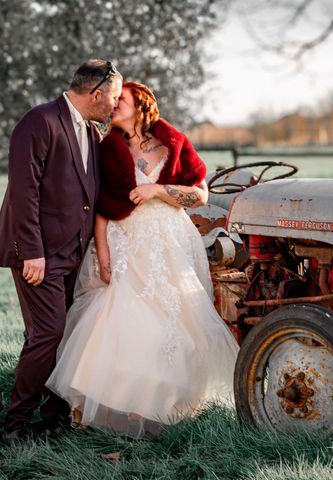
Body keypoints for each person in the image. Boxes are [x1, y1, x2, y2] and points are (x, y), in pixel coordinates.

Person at [45, 82, 239, 438]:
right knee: (123, 318)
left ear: (142, 104)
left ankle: (166, 405)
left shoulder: (173, 141)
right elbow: (101, 208)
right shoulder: (107, 150)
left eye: (122, 98)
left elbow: (199, 194)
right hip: (126, 243)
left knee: (177, 323)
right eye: (113, 98)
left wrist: (158, 190)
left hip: (170, 241)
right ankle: (115, 406)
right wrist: (102, 253)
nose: (114, 103)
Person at [0, 59, 123, 441]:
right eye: (113, 97)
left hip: (72, 256)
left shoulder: (93, 133)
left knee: (63, 335)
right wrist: (32, 252)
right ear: (96, 94)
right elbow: (23, 191)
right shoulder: (39, 121)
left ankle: (55, 416)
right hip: (38, 256)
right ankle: (15, 425)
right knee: (48, 332)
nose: (115, 104)